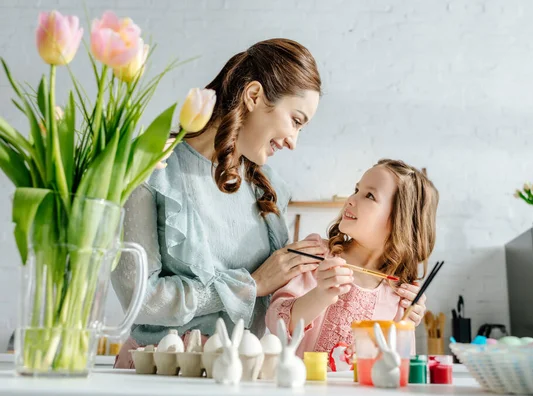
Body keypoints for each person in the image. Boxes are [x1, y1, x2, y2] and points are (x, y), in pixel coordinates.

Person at [111, 38, 427, 369]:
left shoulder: (271, 190)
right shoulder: (153, 168)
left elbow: (286, 310)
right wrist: (252, 284)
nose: (293, 142)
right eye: (296, 120)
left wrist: (400, 308)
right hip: (155, 374)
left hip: (238, 379)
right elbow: (140, 299)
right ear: (254, 96)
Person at [266, 159, 438, 358]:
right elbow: (274, 323)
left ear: (400, 221)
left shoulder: (399, 293)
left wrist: (404, 325)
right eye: (356, 189)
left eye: (369, 195)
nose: (351, 199)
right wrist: (320, 295)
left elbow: (397, 364)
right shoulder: (317, 255)